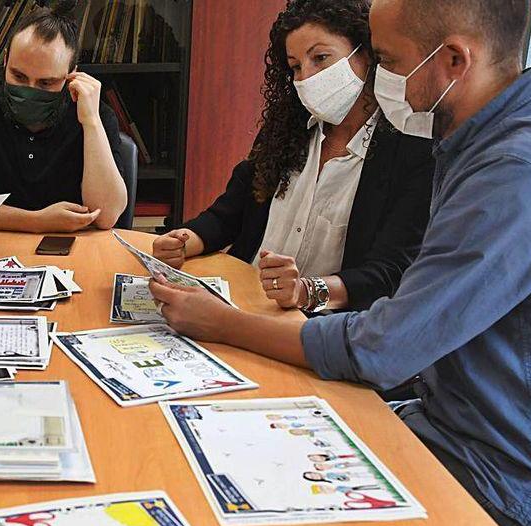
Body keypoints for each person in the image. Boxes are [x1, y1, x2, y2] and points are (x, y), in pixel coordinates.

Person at [149, 0, 531, 526]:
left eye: (388, 60)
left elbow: (386, 347)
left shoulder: (516, 174)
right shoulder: (486, 142)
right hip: (446, 423)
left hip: (508, 479)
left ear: (453, 61)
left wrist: (221, 322)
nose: (380, 79)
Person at [153, 0, 432, 312]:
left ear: (365, 54)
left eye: (321, 58)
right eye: (296, 66)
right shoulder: (287, 128)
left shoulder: (412, 151)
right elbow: (229, 213)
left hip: (321, 327)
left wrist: (304, 291)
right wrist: (187, 239)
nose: (307, 78)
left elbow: (388, 273)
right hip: (243, 300)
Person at [0, 0, 128, 233]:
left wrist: (90, 122)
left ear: (72, 75)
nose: (29, 90)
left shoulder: (97, 114)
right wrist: (37, 221)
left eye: (46, 82)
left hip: (77, 250)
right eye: (18, 76)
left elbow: (106, 216)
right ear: (5, 61)